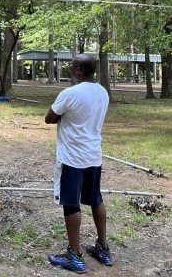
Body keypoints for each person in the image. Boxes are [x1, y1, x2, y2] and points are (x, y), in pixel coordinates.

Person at [44, 54, 113, 273]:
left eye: (71, 66)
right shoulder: (102, 92)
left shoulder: (69, 94)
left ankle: (74, 255)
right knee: (95, 199)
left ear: (78, 70)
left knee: (71, 203)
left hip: (72, 158)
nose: (70, 69)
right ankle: (103, 248)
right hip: (93, 155)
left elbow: (49, 118)